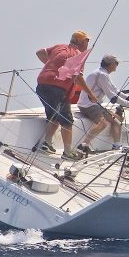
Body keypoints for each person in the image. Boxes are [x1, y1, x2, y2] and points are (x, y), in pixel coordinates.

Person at [34, 30, 97, 160]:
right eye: (87, 41)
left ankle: (47, 143)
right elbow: (78, 77)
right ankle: (68, 152)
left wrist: (53, 65)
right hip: (58, 89)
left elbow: (39, 52)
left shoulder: (59, 47)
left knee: (54, 116)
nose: (87, 43)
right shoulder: (79, 55)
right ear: (80, 42)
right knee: (67, 121)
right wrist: (91, 94)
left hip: (41, 85)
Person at [76, 55, 129, 153]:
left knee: (117, 119)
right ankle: (84, 145)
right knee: (103, 123)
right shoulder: (102, 75)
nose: (117, 65)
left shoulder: (103, 74)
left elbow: (115, 90)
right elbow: (112, 97)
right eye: (116, 63)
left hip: (92, 105)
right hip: (88, 105)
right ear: (110, 65)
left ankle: (116, 146)